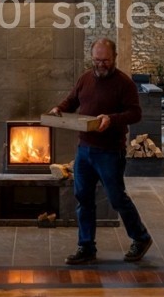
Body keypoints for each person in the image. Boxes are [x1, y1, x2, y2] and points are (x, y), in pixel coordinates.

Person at [48, 37, 153, 265]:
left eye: (105, 60)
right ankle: (86, 247)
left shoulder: (124, 83)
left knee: (116, 199)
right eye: (97, 60)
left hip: (109, 152)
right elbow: (72, 99)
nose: (101, 64)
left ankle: (141, 237)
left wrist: (111, 118)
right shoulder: (85, 78)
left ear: (114, 58)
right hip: (84, 150)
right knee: (83, 199)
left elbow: (135, 114)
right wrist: (59, 109)